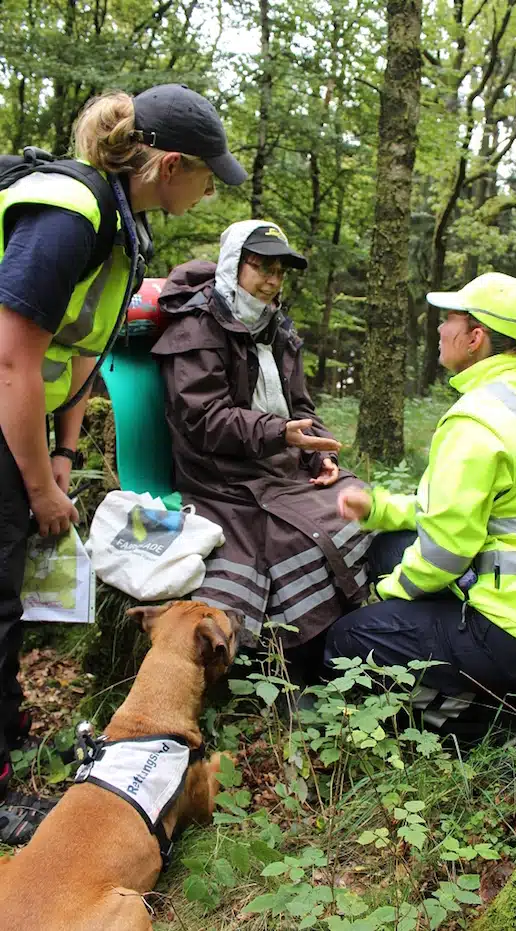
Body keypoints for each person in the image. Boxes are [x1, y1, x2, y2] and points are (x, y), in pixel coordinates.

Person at [0, 83, 247, 842]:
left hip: (24, 425)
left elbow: (79, 351)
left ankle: (7, 747)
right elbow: (12, 362)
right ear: (171, 165)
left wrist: (67, 450)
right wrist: (41, 487)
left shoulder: (121, 224)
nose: (210, 191)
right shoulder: (71, 214)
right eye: (209, 176)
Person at [326, 272, 516, 744]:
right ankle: (492, 692)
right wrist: (379, 509)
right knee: (389, 545)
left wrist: (389, 594)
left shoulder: (477, 419)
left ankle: (487, 724)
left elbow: (445, 554)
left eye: (449, 319)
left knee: (346, 641)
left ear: (476, 338)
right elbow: (450, 510)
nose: (438, 328)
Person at [151, 219, 373, 668]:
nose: (272, 280)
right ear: (235, 265)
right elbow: (202, 419)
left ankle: (354, 638)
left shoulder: (278, 329)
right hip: (222, 478)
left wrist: (321, 454)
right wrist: (278, 432)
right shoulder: (197, 327)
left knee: (361, 502)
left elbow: (302, 406)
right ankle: (299, 659)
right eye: (262, 267)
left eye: (280, 270)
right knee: (301, 539)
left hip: (280, 463)